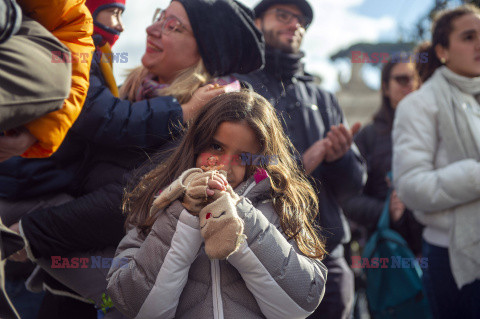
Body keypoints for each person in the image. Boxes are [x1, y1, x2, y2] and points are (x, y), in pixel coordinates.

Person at [6, 0, 264, 317]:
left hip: (113, 298)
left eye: (173, 26)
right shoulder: (131, 96)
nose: (150, 29)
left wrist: (29, 233)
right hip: (64, 288)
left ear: (204, 56)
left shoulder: (206, 125)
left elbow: (130, 200)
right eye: (160, 17)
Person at [106, 90, 328, 318]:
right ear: (195, 143)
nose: (223, 167)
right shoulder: (157, 202)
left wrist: (240, 218)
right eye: (216, 147)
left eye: (243, 157)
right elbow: (133, 304)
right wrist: (183, 216)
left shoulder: (279, 207)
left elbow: (302, 302)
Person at [235, 1, 366, 318]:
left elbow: (355, 184)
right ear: (257, 23)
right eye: (283, 16)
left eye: (302, 21)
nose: (295, 24)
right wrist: (300, 163)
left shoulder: (323, 96)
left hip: (329, 254)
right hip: (263, 253)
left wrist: (339, 157)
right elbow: (233, 171)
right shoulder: (239, 88)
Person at [392, 5, 480, 318]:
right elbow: (411, 187)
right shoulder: (418, 105)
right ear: (441, 50)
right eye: (469, 37)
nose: (479, 44)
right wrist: (475, 177)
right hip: (452, 258)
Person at [343, 59, 424, 256]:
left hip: (436, 243)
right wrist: (387, 210)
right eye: (402, 79)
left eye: (415, 79)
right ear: (385, 88)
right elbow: (348, 200)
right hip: (389, 251)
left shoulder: (436, 130)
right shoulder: (367, 137)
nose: (410, 85)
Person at [0, 0, 94, 161]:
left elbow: (73, 69)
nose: (121, 25)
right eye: (114, 13)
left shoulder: (74, 17)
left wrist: (34, 132)